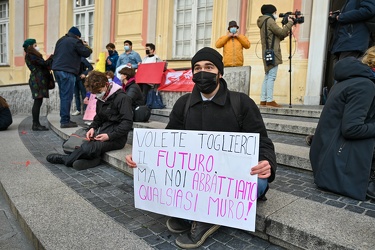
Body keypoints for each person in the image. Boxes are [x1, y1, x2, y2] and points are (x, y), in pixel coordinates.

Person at [125, 47, 277, 249]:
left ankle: (204, 219)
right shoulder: (183, 104)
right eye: (197, 68)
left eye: (209, 67)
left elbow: (263, 141)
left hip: (232, 175)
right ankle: (198, 214)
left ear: (219, 73)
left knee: (258, 183)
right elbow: (169, 142)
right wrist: (142, 156)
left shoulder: (242, 103)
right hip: (199, 178)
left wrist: (267, 163)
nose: (202, 72)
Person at [310, 47, 375, 201]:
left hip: (324, 155)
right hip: (335, 164)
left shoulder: (349, 79)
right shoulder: (365, 85)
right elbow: (351, 129)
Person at [46, 71, 133, 170]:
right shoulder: (102, 97)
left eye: (99, 92)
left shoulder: (123, 98)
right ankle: (94, 159)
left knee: (88, 147)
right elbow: (99, 117)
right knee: (71, 143)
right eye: (95, 93)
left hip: (116, 138)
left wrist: (109, 136)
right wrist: (92, 127)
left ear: (106, 84)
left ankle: (66, 160)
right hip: (102, 132)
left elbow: (127, 123)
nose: (98, 95)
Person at [52, 26, 92, 128]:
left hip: (57, 70)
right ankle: (65, 121)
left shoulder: (60, 40)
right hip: (67, 71)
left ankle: (64, 118)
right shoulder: (75, 41)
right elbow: (86, 53)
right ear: (77, 36)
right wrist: (86, 46)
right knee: (67, 96)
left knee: (63, 95)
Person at [257, 4, 293, 108]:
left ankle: (263, 99)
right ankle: (269, 100)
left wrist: (284, 33)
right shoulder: (269, 20)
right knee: (271, 76)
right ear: (272, 12)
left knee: (267, 76)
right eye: (275, 12)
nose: (276, 14)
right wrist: (290, 22)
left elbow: (275, 36)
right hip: (273, 52)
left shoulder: (263, 21)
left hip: (267, 52)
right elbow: (281, 31)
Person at [23, 38, 54, 131]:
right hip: (37, 81)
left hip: (39, 80)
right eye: (35, 45)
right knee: (37, 102)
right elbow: (44, 64)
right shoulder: (30, 55)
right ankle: (35, 124)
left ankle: (36, 124)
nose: (37, 47)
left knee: (38, 102)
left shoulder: (32, 55)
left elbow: (44, 64)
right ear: (30, 47)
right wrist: (52, 57)